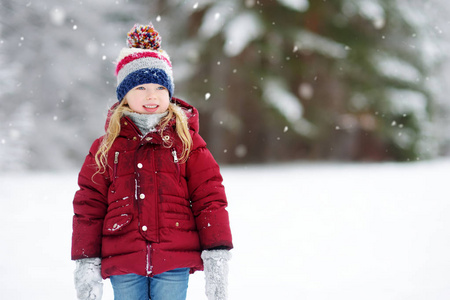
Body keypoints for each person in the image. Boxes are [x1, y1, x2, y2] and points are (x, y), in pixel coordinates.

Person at [71, 23, 233, 300]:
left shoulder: (187, 142)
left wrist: (217, 252)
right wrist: (86, 261)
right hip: (123, 258)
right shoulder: (106, 147)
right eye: (141, 87)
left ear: (169, 92)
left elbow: (210, 197)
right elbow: (89, 206)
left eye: (160, 87)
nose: (151, 96)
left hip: (174, 257)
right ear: (124, 95)